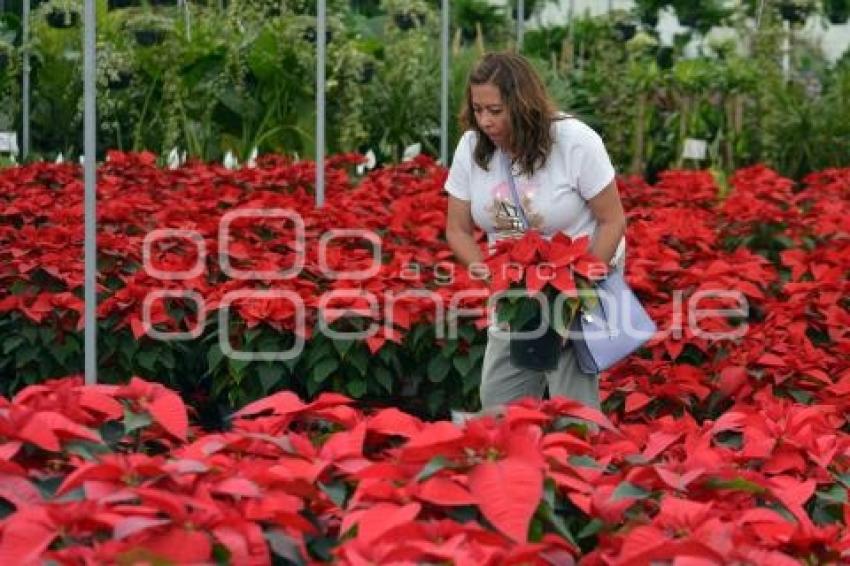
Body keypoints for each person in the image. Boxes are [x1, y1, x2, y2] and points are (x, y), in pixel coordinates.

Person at [444, 51, 627, 412]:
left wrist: (579, 290)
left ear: (523, 103)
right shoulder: (471, 148)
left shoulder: (574, 140)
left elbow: (613, 221)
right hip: (515, 289)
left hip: (577, 283)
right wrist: (489, 276)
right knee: (499, 399)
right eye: (478, 110)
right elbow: (457, 229)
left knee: (573, 404)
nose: (485, 121)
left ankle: (580, 466)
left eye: (495, 111)